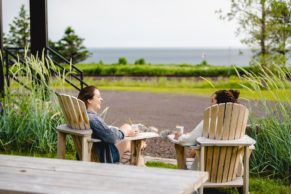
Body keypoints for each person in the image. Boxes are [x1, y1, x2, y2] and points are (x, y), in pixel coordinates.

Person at [78, 85, 138, 163]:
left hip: (93, 151)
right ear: (89, 100)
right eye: (98, 97)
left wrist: (118, 130)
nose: (101, 99)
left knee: (126, 126)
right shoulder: (92, 119)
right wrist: (125, 132)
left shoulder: (81, 116)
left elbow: (105, 132)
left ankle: (137, 163)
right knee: (136, 143)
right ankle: (139, 166)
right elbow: (111, 137)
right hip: (104, 156)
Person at [175, 89, 240, 146]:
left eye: (212, 101)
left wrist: (180, 137)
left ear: (220, 105)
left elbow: (188, 141)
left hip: (209, 159)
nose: (210, 105)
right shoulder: (238, 123)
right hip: (234, 159)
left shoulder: (210, 122)